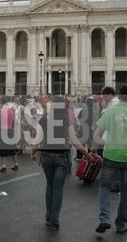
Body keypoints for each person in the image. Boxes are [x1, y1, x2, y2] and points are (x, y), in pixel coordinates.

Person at [31, 96, 93, 231]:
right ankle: (54, 220)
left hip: (46, 156)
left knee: (49, 185)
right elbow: (75, 140)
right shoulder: (66, 120)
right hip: (61, 157)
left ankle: (48, 216)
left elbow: (37, 139)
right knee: (58, 188)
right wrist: (87, 155)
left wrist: (33, 153)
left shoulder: (43, 120)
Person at [90, 86, 127, 234]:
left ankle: (105, 219)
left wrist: (93, 151)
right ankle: (121, 224)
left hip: (111, 155)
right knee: (126, 190)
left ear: (119, 97)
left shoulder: (110, 112)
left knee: (104, 186)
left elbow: (98, 132)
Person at [0, 97, 18, 172]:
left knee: (2, 147)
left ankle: (3, 165)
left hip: (2, 129)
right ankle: (16, 163)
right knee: (11, 146)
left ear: (2, 103)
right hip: (10, 129)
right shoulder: (11, 111)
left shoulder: (1, 111)